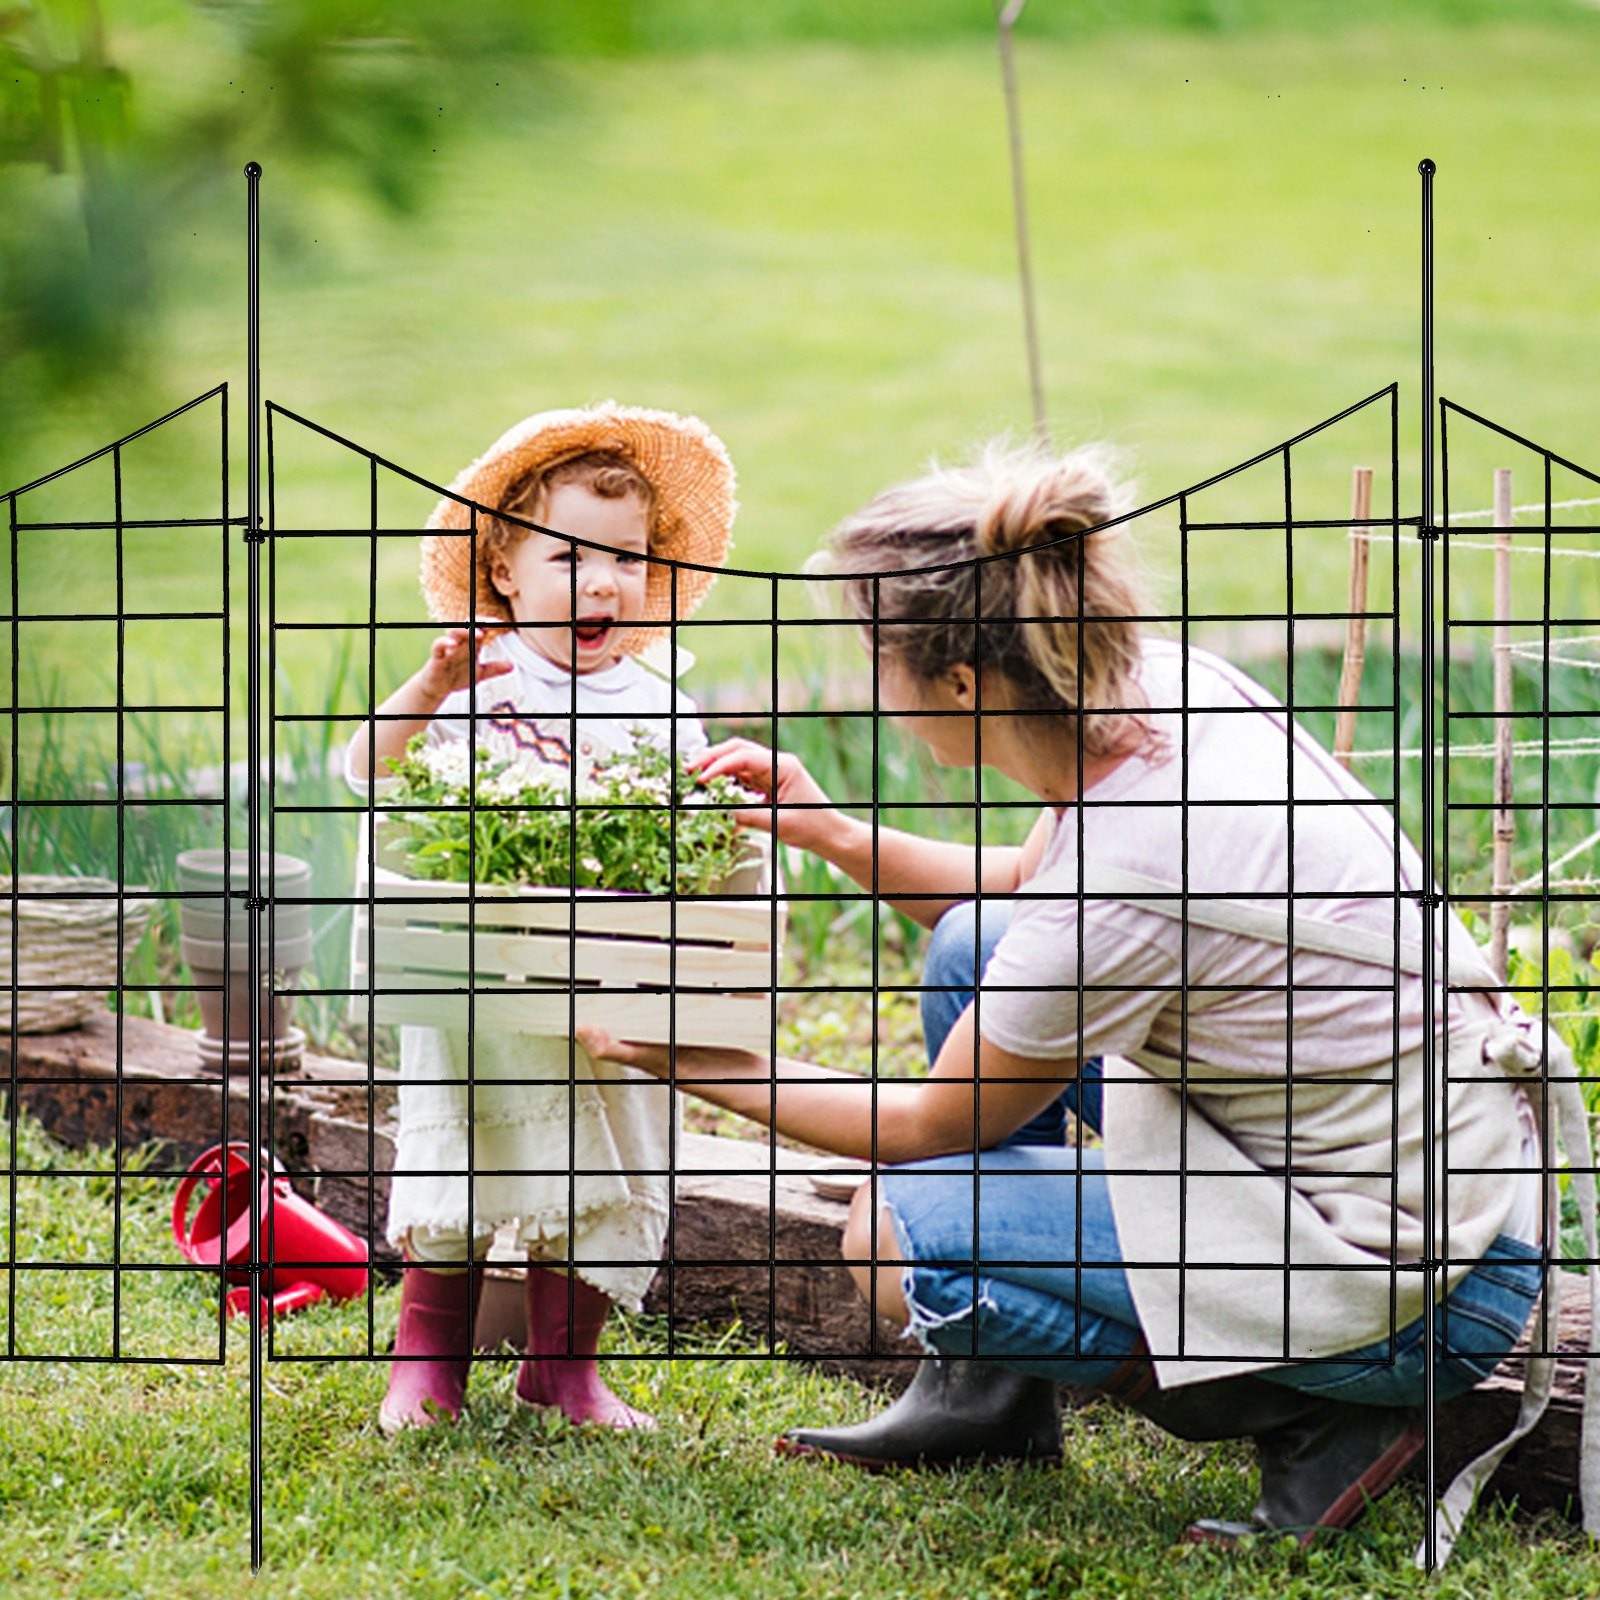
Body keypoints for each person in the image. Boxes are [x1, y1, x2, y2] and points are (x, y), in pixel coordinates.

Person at [578, 439, 1558, 1547]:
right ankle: (984, 1402)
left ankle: (1311, 1411)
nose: (866, 683)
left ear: (958, 681)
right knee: (972, 951)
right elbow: (1015, 900)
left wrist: (704, 1060)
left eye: (871, 654)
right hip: (1425, 1177)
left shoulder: (1123, 867)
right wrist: (833, 832)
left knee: (900, 1234)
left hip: (1416, 1284)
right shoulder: (1146, 691)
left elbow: (928, 1125)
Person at [347, 402, 736, 1435]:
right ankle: (426, 1363)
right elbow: (363, 774)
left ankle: (565, 1370)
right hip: (477, 971)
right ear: (504, 572)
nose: (601, 581)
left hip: (606, 976)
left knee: (602, 1157)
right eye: (567, 558)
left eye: (625, 558)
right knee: (463, 1143)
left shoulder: (658, 700)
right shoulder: (482, 681)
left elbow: (683, 823)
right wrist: (430, 688)